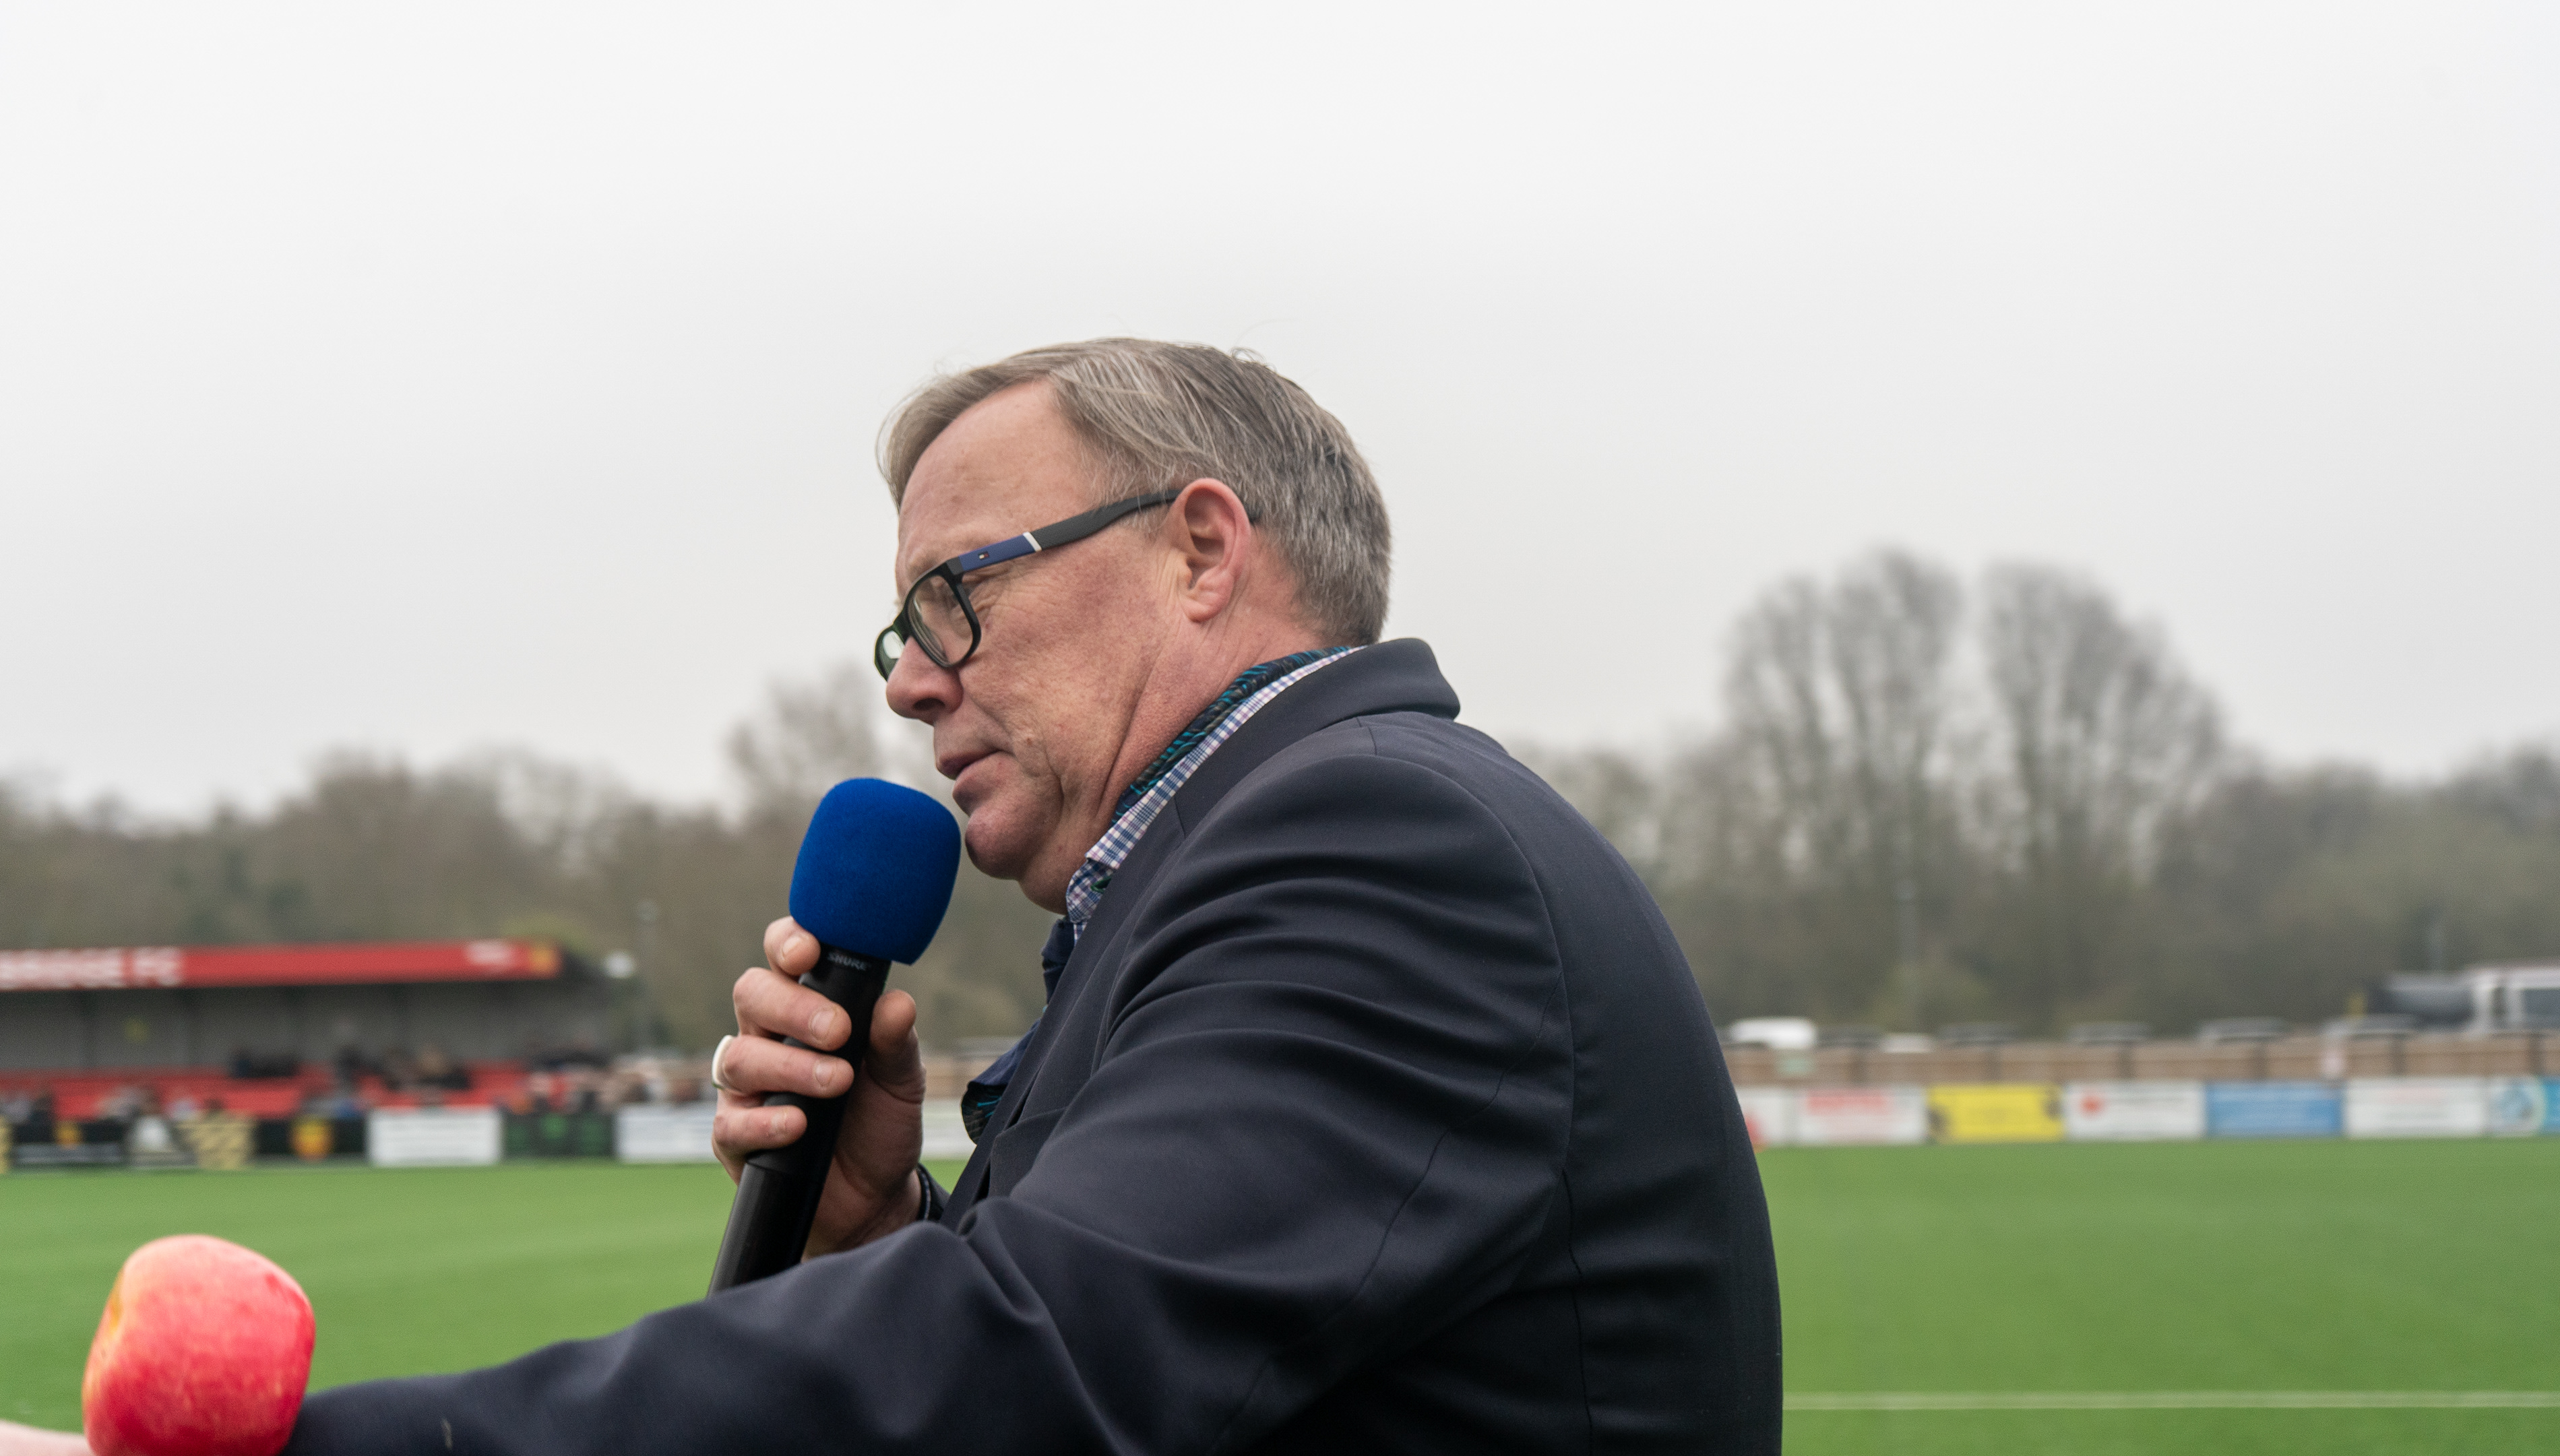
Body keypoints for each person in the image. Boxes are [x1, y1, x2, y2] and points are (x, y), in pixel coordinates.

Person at [2, 340, 1779, 1456]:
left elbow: (1033, 1377)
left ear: (1200, 547)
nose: (914, 680)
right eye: (902, 628)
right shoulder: (1257, 857)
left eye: (955, 596)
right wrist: (871, 1230)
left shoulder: (1380, 848)